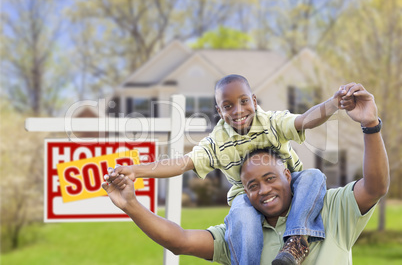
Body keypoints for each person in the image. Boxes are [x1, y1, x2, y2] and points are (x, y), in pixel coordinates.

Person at [103, 84, 388, 265]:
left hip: (302, 189)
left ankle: (297, 239)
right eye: (227, 106)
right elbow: (183, 165)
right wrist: (135, 174)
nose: (238, 111)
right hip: (241, 202)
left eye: (270, 179)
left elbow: (305, 120)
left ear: (253, 99)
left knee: (314, 175)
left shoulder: (331, 210)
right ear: (218, 110)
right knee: (240, 212)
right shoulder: (218, 146)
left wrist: (338, 106)